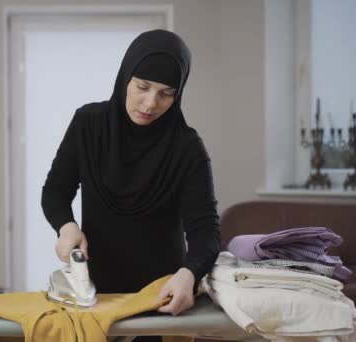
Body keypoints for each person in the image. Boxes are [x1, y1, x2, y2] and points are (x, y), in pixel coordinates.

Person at [41, 29, 221, 338]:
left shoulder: (188, 148)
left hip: (162, 298)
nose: (150, 103)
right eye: (143, 86)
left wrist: (189, 274)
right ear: (126, 77)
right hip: (98, 296)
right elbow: (55, 192)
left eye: (167, 93)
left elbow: (206, 232)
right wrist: (66, 226)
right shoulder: (88, 124)